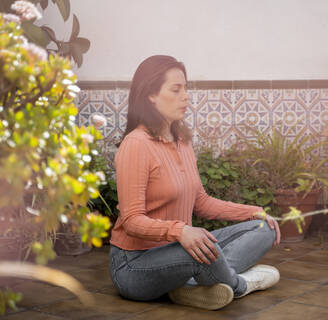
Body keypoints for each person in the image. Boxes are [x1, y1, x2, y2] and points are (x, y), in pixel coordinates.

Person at [108, 55, 281, 310]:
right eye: (176, 90)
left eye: (186, 88)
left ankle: (193, 284)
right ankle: (240, 284)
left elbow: (200, 202)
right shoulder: (136, 145)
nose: (185, 96)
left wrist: (252, 212)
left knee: (262, 228)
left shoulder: (182, 140)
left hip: (179, 250)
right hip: (134, 265)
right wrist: (180, 231)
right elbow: (132, 221)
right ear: (150, 95)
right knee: (201, 252)